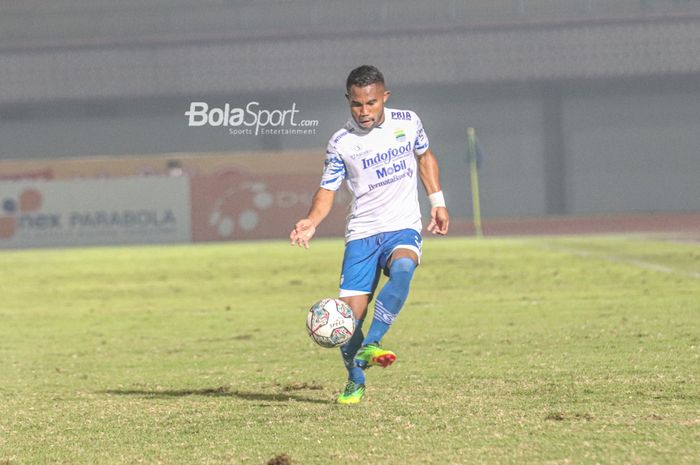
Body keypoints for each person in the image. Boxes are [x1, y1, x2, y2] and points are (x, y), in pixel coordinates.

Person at [290, 65, 449, 404]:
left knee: (404, 268)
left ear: (384, 98)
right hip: (362, 234)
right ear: (348, 101)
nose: (364, 112)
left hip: (401, 225)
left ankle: (373, 343)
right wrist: (312, 221)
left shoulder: (408, 122)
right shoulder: (341, 143)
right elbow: (327, 190)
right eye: (356, 105)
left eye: (371, 104)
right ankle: (355, 379)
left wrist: (437, 201)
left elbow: (425, 158)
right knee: (346, 320)